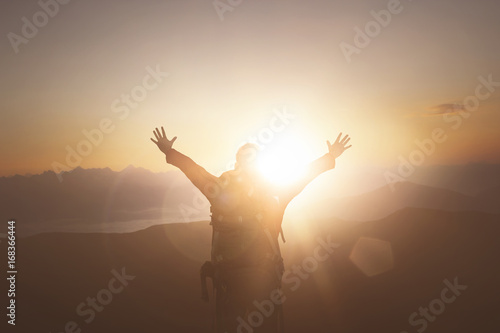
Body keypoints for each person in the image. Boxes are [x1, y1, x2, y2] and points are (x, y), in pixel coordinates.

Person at [151, 126, 351, 333]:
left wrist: (169, 151)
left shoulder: (219, 189)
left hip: (228, 282)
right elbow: (304, 175)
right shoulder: (275, 191)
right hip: (265, 281)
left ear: (237, 163)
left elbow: (194, 171)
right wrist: (330, 157)